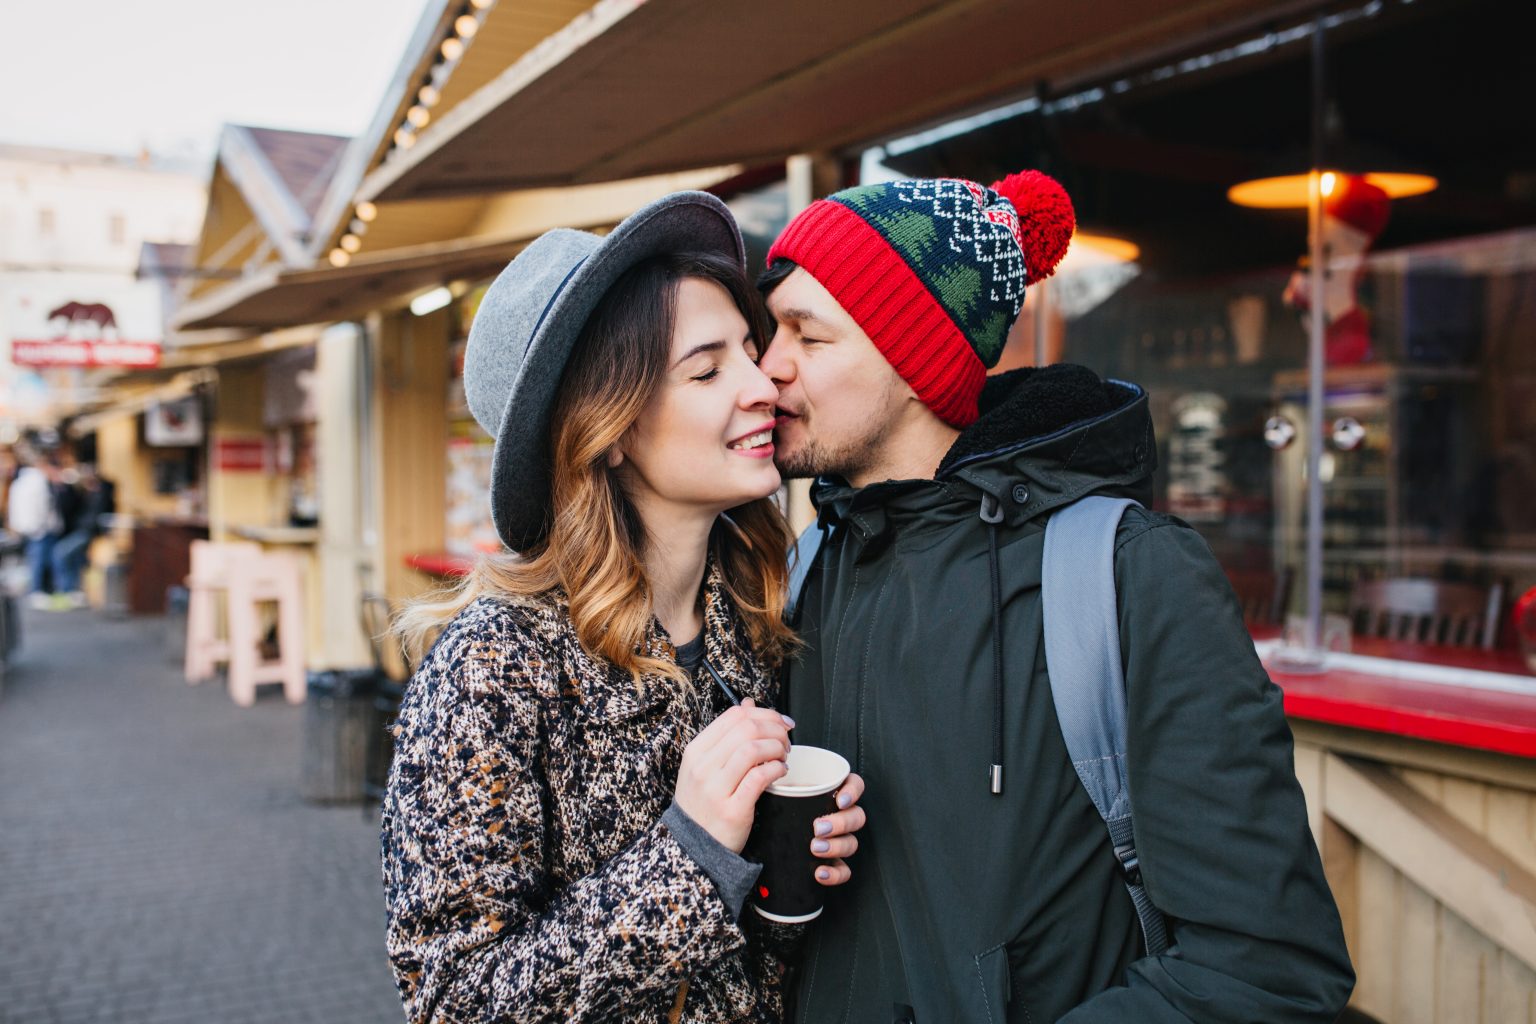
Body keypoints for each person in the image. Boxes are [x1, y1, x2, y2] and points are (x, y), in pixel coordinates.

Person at [755, 171, 1354, 1022]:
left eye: (806, 337)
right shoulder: (816, 563)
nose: (768, 366)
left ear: (915, 358)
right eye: (770, 329)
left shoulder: (1126, 574)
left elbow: (1267, 969)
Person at [381, 192, 866, 1024]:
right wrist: (692, 853)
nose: (763, 386)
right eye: (708, 370)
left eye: (750, 352)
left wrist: (792, 876)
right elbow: (452, 1002)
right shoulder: (491, 666)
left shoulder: (759, 617)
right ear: (607, 429)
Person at [51, 462, 115, 609]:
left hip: (86, 531)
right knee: (75, 560)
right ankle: (72, 590)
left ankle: (67, 590)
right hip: (83, 530)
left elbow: (92, 516)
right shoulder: (90, 492)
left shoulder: (99, 493)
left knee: (61, 553)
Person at [7, 448, 63, 609]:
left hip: (31, 527)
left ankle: (40, 590)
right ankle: (38, 591)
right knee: (39, 561)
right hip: (39, 529)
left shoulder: (21, 482)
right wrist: (41, 525)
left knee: (37, 560)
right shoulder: (37, 483)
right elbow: (40, 508)